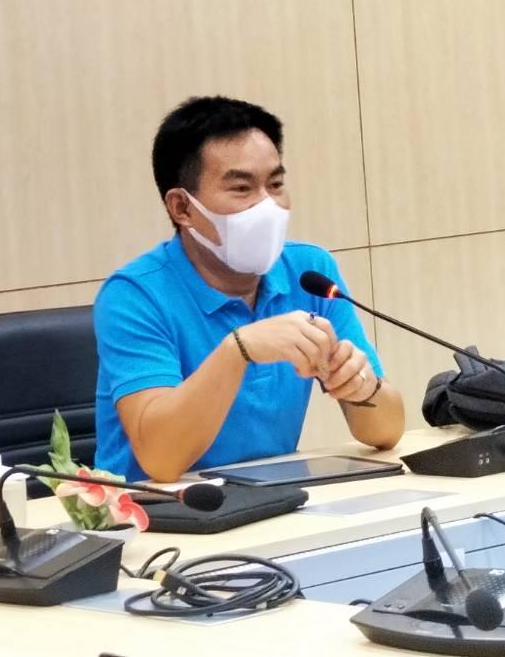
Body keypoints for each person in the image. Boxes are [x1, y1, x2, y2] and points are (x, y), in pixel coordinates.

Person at [93, 96, 405, 482]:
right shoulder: (133, 295)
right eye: (242, 188)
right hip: (156, 509)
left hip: (272, 499)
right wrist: (238, 350)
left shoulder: (309, 272)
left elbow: (386, 432)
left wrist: (362, 388)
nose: (267, 205)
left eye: (275, 184)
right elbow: (161, 461)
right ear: (182, 208)